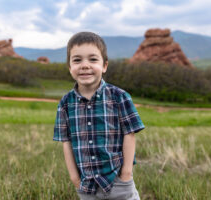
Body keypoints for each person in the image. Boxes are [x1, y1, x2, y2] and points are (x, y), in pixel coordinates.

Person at [53, 32, 145, 200]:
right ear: (69, 67)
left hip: (117, 180)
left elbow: (129, 134)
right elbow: (66, 142)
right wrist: (75, 179)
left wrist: (126, 173)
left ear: (104, 66)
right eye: (77, 60)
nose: (85, 65)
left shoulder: (119, 97)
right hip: (86, 185)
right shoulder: (65, 103)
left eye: (93, 59)